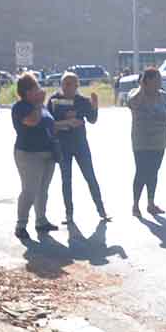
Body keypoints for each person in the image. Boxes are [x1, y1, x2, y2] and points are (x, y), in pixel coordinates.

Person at [48, 73, 109, 225]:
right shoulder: (54, 100)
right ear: (61, 85)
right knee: (66, 180)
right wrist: (65, 120)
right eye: (65, 84)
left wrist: (94, 107)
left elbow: (92, 120)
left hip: (80, 144)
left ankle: (101, 210)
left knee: (90, 177)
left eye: (71, 84)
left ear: (77, 86)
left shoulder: (82, 101)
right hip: (62, 145)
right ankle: (69, 214)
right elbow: (49, 122)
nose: (68, 87)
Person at [11, 72, 58, 240]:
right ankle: (21, 224)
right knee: (30, 190)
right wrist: (38, 103)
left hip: (47, 152)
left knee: (43, 190)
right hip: (29, 154)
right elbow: (32, 121)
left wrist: (66, 124)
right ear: (27, 91)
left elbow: (49, 123)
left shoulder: (41, 106)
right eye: (36, 87)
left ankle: (41, 220)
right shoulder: (21, 107)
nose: (40, 90)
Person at [128, 66, 166, 215]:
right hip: (141, 141)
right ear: (145, 82)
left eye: (159, 80)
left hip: (158, 141)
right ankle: (135, 205)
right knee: (141, 172)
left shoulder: (164, 96)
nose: (159, 83)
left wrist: (163, 117)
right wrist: (142, 90)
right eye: (155, 81)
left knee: (153, 172)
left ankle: (151, 203)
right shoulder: (135, 94)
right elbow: (132, 104)